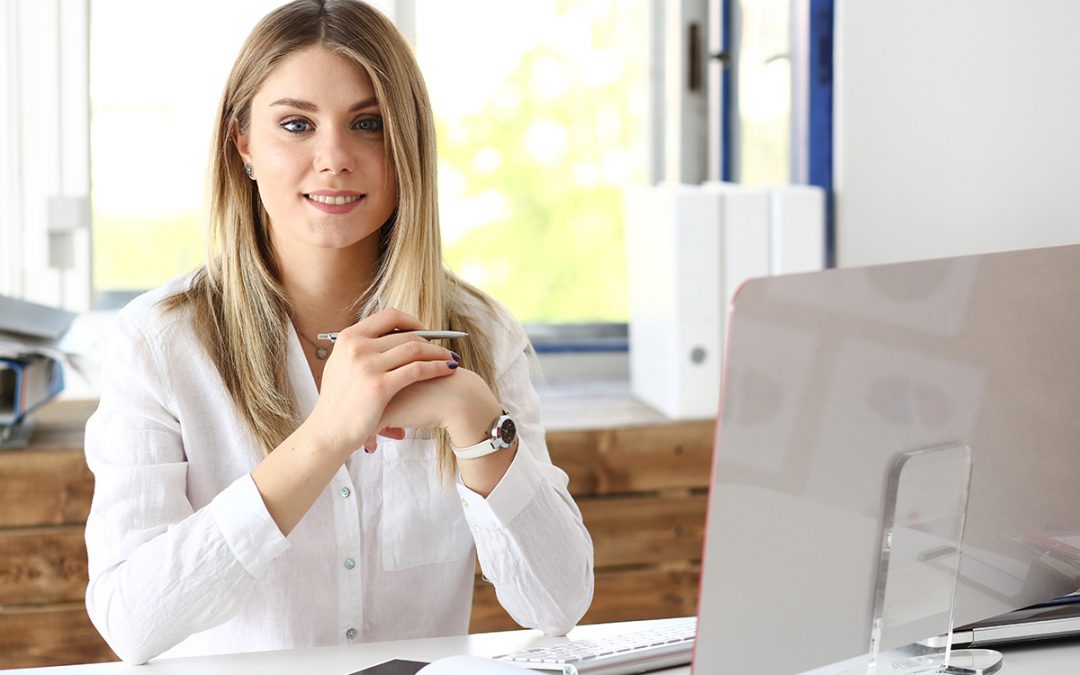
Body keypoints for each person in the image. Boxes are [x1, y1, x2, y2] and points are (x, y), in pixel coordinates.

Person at [82, 0, 594, 664]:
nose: (334, 158)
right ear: (243, 143)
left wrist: (474, 414)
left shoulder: (481, 332)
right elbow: (132, 619)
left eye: (369, 124)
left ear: (406, 143)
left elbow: (559, 602)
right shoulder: (158, 344)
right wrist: (327, 435)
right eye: (296, 124)